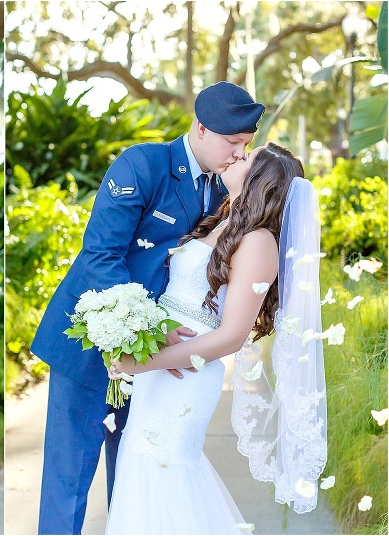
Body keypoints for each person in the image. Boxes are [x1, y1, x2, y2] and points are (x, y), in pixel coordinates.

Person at [31, 81, 265, 534]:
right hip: (90, 341)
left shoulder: (226, 190)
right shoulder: (143, 164)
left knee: (134, 474)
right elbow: (102, 255)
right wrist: (150, 332)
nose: (239, 154)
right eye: (232, 143)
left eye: (245, 145)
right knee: (69, 477)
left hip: (155, 363)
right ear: (201, 128)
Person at [105, 143, 327, 533]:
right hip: (161, 368)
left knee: (165, 472)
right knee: (142, 469)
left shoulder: (259, 242)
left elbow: (231, 336)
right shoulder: (223, 219)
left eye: (246, 158)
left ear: (259, 181)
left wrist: (143, 362)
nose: (235, 157)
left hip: (187, 376)